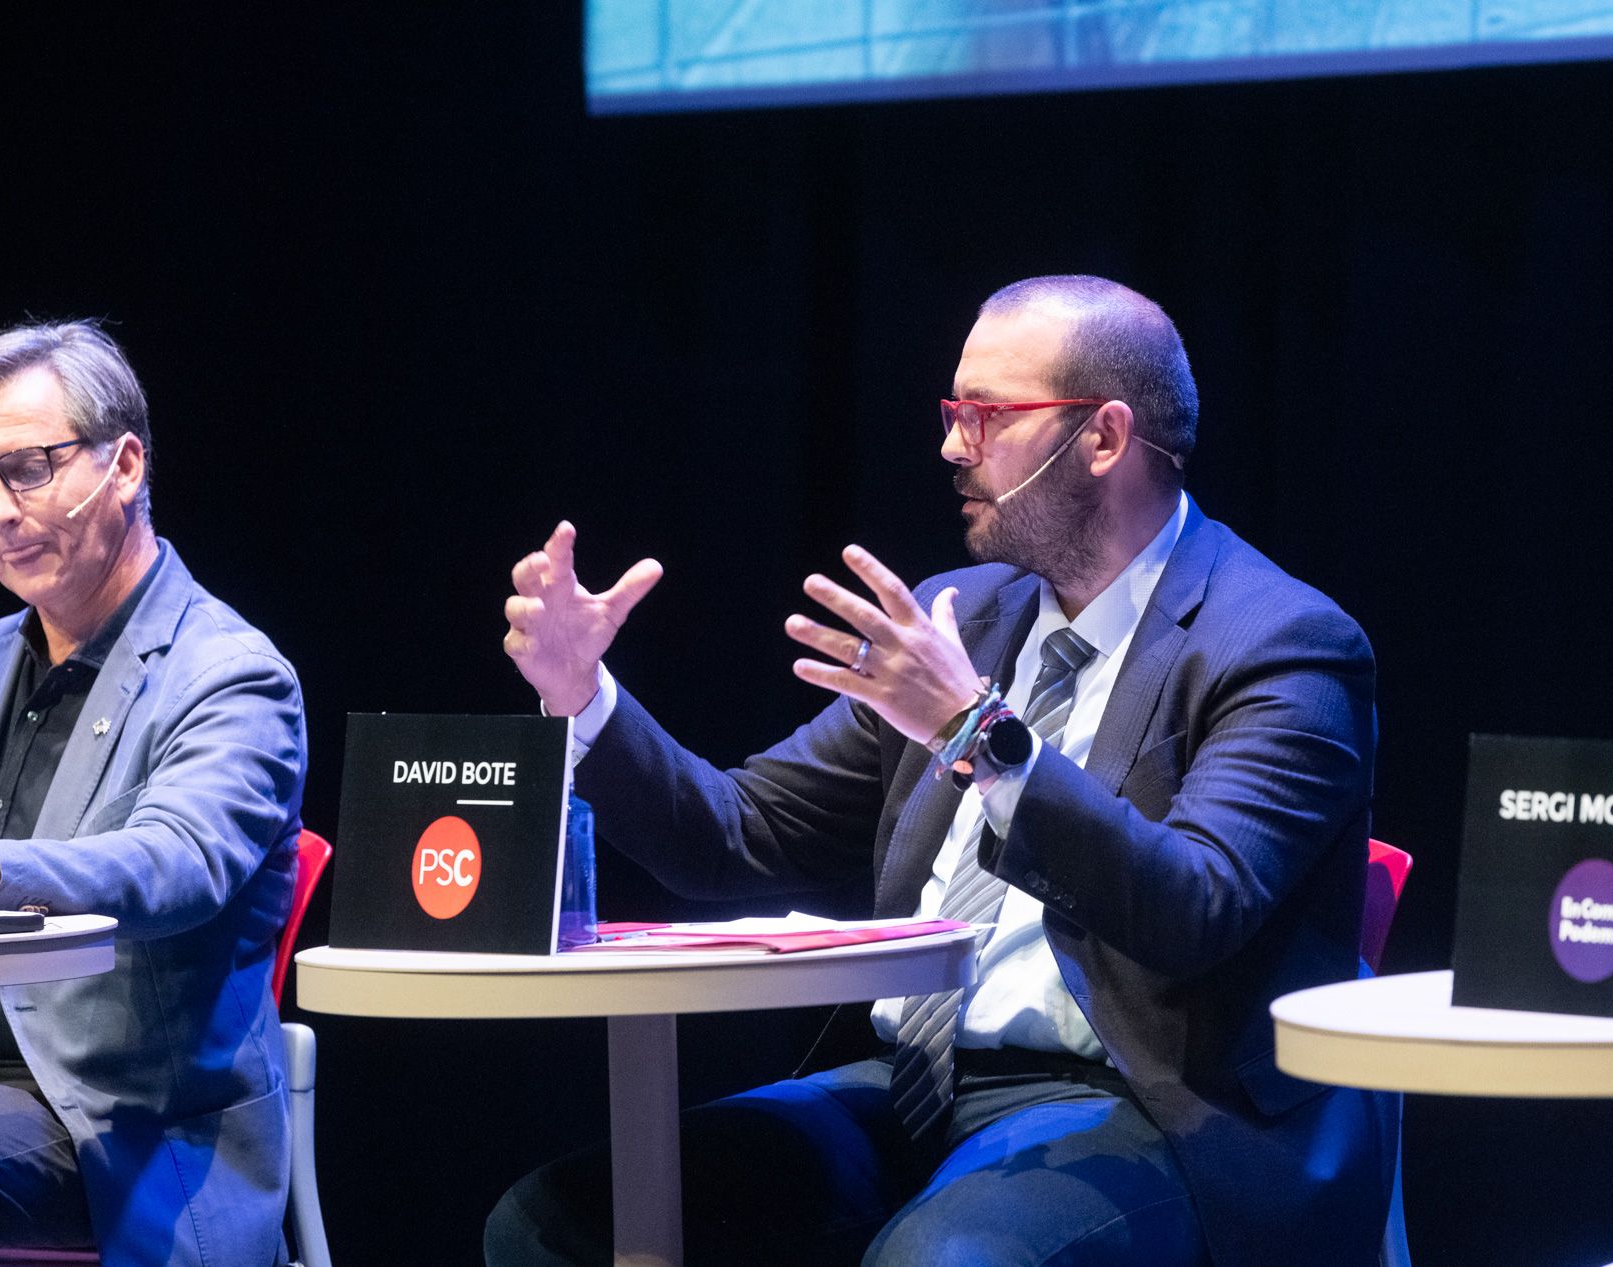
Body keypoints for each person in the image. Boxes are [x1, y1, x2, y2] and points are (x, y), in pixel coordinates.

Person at [488, 274, 1397, 1267]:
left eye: (987, 415)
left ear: (1101, 437)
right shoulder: (967, 614)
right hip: (916, 1082)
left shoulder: (1280, 644)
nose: (951, 446)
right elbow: (734, 833)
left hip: (1146, 1108)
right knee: (555, 1225)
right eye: (950, 412)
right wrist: (583, 697)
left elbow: (1192, 907)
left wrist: (978, 730)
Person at [0, 322, 306, 1267]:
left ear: (126, 464)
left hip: (100, 1111)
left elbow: (176, 862)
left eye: (28, 468)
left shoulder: (232, 674)